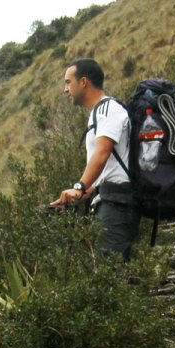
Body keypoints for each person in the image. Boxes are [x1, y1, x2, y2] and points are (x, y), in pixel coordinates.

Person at [51, 58, 139, 259]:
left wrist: (79, 187)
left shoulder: (109, 109)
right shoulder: (98, 114)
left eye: (68, 82)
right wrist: (77, 196)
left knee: (113, 270)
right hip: (106, 200)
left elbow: (102, 155)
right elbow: (107, 169)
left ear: (83, 82)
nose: (65, 89)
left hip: (116, 202)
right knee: (107, 269)